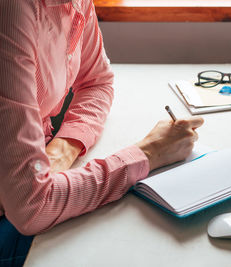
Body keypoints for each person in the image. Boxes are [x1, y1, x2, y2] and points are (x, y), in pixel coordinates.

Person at [0, 0, 204, 266]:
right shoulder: (12, 10)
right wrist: (148, 153)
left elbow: (97, 81)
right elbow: (31, 207)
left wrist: (62, 149)